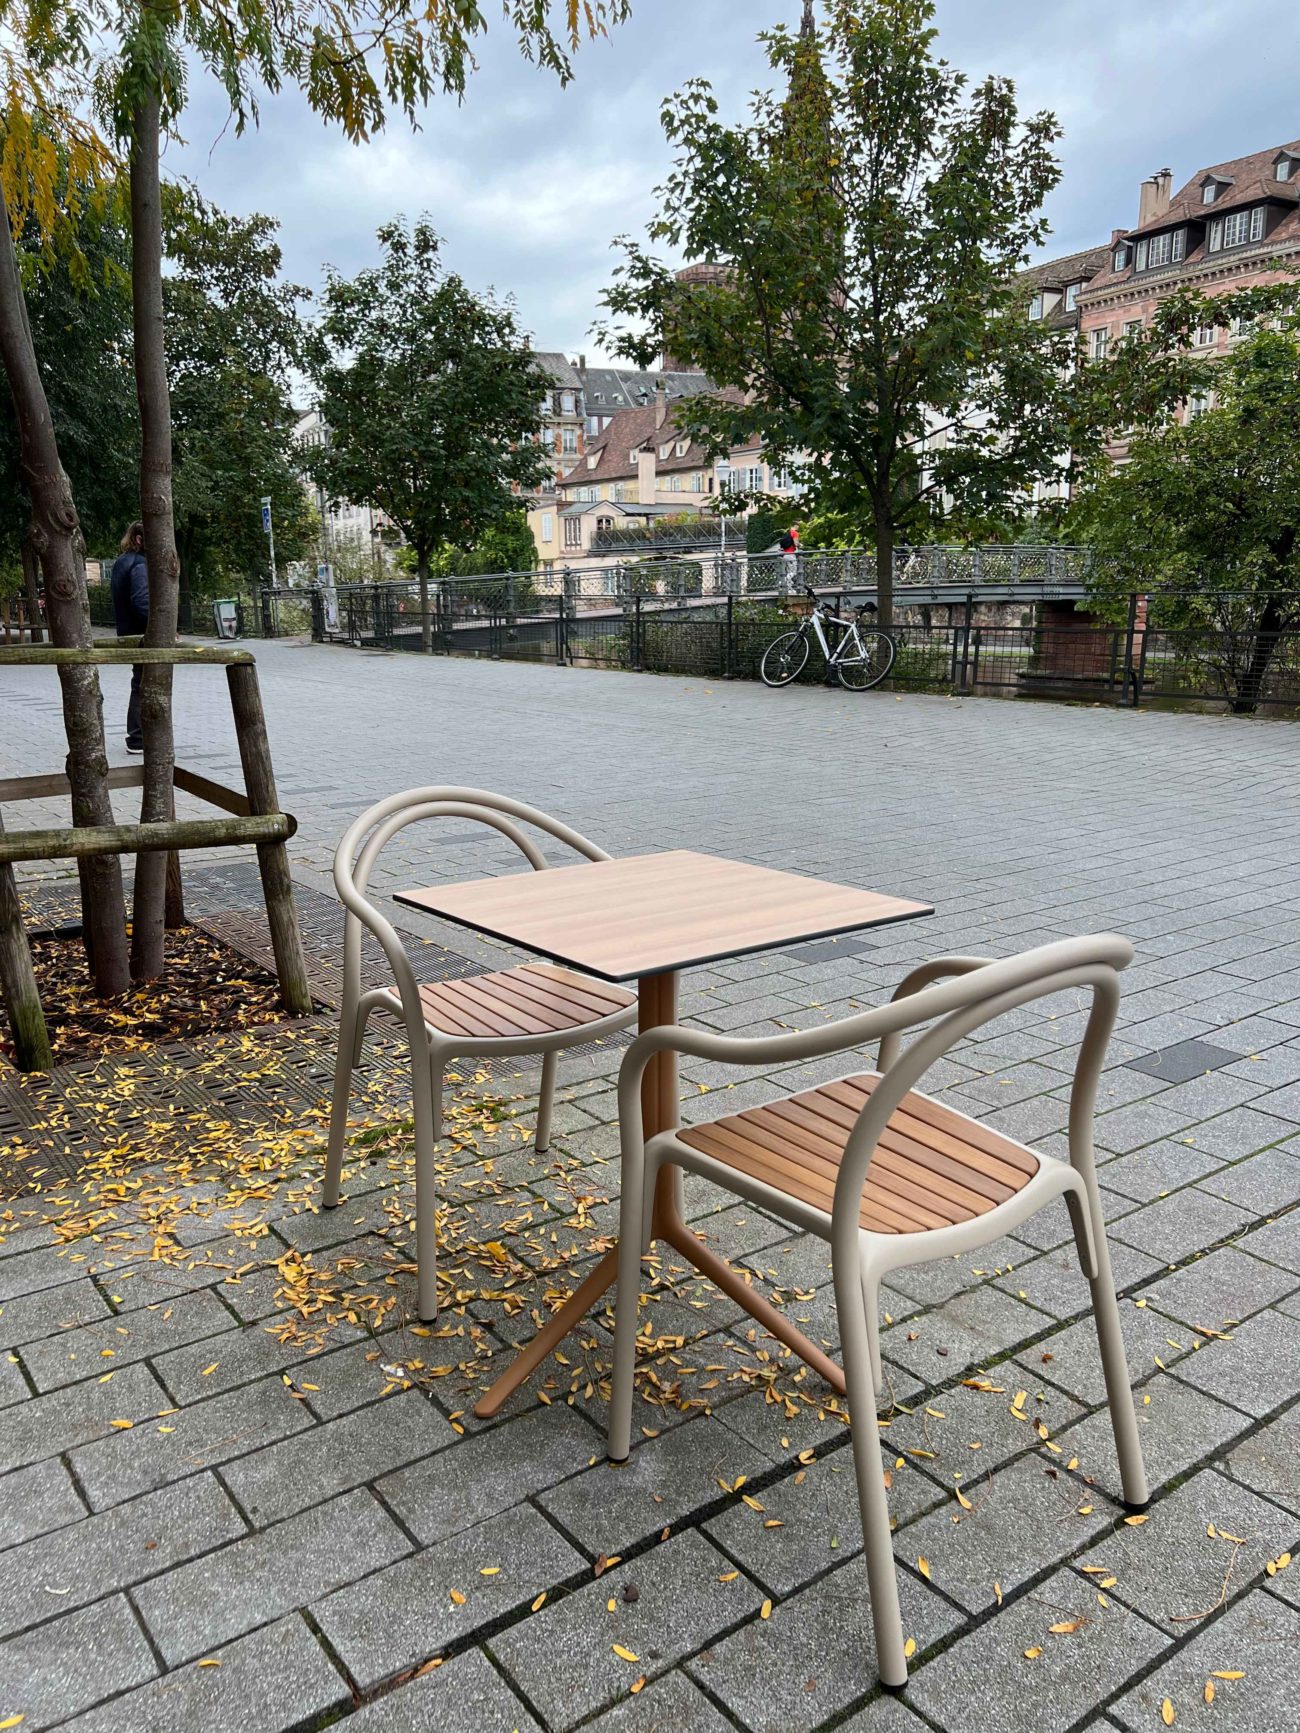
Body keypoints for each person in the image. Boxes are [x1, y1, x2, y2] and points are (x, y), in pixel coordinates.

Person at [110, 521, 149, 753]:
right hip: (141, 633)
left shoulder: (122, 562)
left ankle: (138, 736)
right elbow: (142, 602)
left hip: (127, 631)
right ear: (139, 539)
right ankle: (138, 738)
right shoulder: (139, 564)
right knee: (144, 684)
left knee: (139, 682)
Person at [779, 522, 800, 594]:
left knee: (789, 572)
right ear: (795, 526)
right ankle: (782, 581)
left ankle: (789, 589)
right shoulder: (794, 533)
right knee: (793, 572)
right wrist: (799, 545)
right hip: (791, 555)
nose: (798, 528)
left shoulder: (787, 533)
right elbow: (796, 543)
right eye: (798, 526)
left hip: (785, 555)